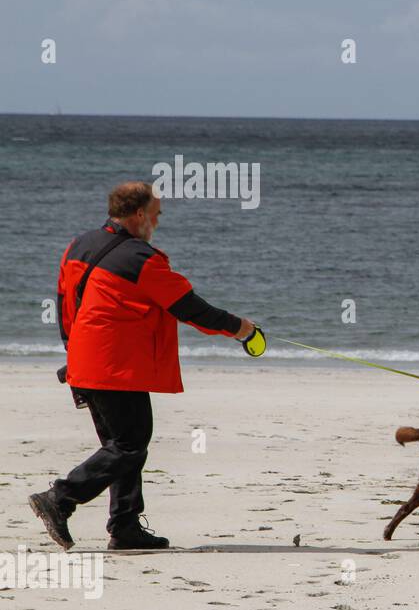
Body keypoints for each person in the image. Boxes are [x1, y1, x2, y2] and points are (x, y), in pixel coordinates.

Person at [28, 181, 255, 550]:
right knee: (130, 445)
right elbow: (189, 308)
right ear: (139, 215)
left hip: (85, 361)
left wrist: (72, 351)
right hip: (115, 367)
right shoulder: (141, 260)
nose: (158, 221)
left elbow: (64, 302)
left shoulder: (79, 244)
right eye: (156, 214)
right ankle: (61, 498)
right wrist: (240, 328)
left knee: (119, 447)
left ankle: (125, 526)